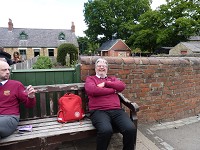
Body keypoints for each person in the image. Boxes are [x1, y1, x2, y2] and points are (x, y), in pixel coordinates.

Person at [84, 58, 136, 150]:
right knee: (106, 130)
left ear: (107, 68)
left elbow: (122, 86)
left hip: (116, 110)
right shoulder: (90, 79)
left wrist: (105, 84)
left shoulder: (112, 79)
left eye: (104, 66)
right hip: (98, 111)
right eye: (99, 66)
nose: (101, 68)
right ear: (95, 68)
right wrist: (113, 90)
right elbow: (92, 90)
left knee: (130, 129)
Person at [0, 60, 36, 139]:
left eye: (8, 69)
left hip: (9, 117)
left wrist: (31, 96)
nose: (8, 72)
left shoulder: (16, 85)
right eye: (4, 70)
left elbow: (29, 105)